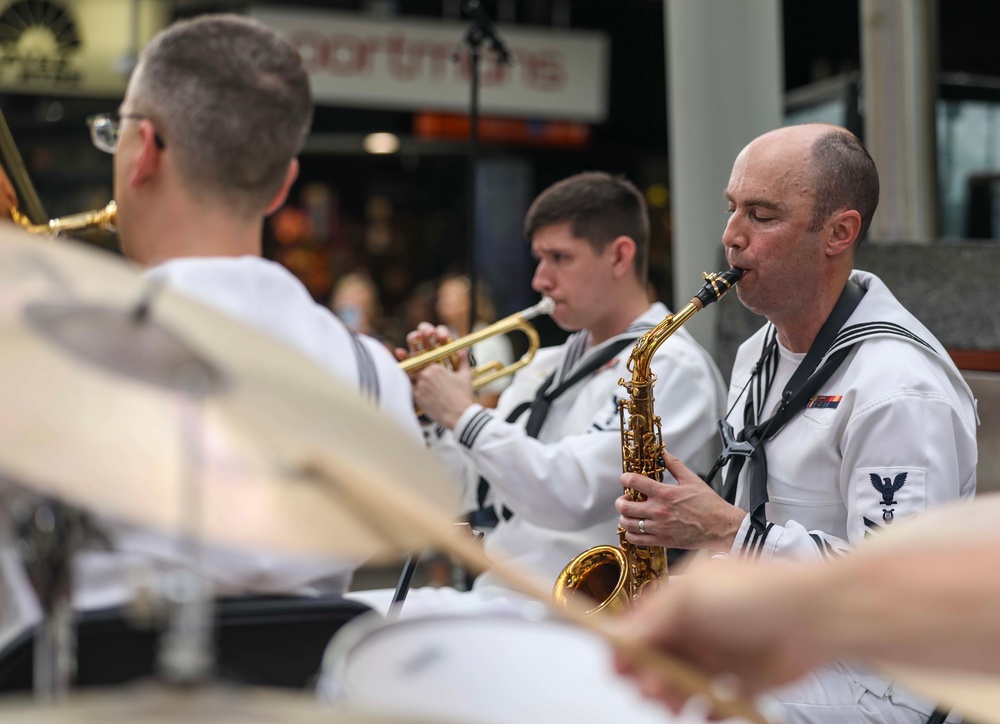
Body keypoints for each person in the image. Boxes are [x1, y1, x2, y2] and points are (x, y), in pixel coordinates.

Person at [0, 14, 420, 656]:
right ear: (283, 185)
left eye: (115, 135)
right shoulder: (376, 377)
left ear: (144, 150)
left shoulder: (41, 355)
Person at [613, 124, 978, 722]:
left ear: (840, 232)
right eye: (732, 209)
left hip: (883, 677)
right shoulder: (758, 350)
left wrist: (729, 531)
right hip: (785, 638)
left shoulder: (900, 389)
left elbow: (897, 591)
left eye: (762, 216)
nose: (731, 238)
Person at [366, 171, 726, 614]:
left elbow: (570, 495)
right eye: (538, 259)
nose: (540, 279)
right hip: (498, 595)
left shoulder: (671, 366)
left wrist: (463, 415)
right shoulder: (545, 364)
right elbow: (468, 492)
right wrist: (434, 418)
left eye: (559, 258)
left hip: (577, 615)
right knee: (336, 616)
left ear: (618, 256)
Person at [613, 494, 1000, 714]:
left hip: (886, 685)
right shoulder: (754, 361)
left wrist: (737, 536)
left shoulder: (900, 385)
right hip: (814, 632)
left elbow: (922, 584)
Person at [434, 273, 514, 409]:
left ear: (469, 302)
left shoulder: (493, 341)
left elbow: (494, 396)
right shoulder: (439, 338)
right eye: (441, 297)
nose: (441, 302)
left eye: (448, 297)